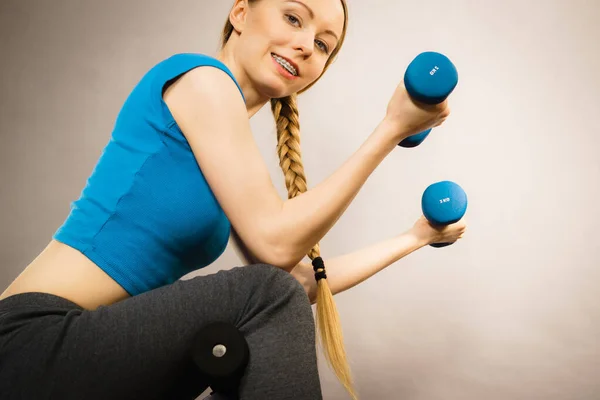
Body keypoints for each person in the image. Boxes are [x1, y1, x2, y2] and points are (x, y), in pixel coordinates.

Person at [0, 0, 466, 399]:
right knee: (267, 296)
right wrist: (389, 130)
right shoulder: (201, 81)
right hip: (32, 342)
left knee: (252, 320)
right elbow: (276, 255)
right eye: (293, 18)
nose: (307, 44)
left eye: (324, 44)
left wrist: (416, 236)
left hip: (89, 351)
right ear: (240, 12)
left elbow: (299, 283)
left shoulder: (226, 155)